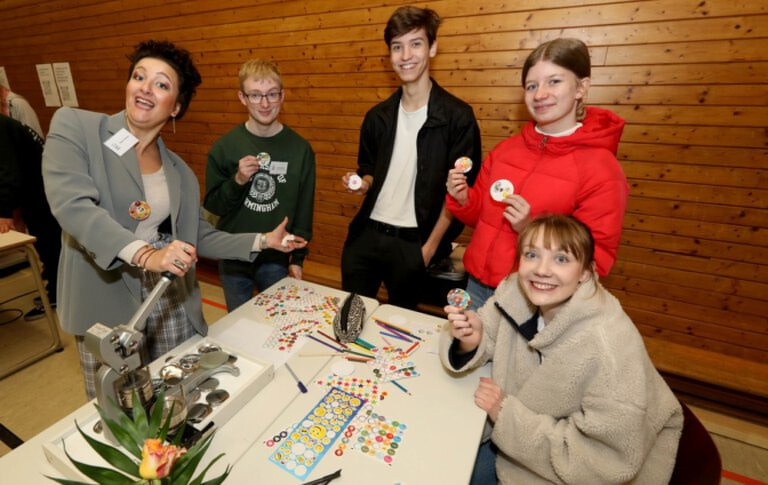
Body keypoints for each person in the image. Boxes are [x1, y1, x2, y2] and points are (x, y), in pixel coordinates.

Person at [42, 40, 306, 397]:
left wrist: (262, 240)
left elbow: (198, 234)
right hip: (108, 301)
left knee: (180, 395)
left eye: (162, 84)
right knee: (125, 410)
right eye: (139, 76)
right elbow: (74, 207)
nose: (146, 88)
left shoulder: (178, 171)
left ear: (176, 106)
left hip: (168, 297)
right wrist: (146, 254)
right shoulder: (77, 127)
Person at [441, 214, 682, 484]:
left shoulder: (609, 347)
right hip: (514, 436)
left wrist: (504, 414)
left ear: (586, 273)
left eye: (562, 259)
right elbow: (487, 327)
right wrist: (472, 340)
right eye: (532, 255)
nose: (541, 270)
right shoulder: (515, 290)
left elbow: (603, 462)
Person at [446, 38, 628, 310]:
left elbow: (595, 257)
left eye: (554, 82)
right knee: (469, 352)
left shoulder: (601, 169)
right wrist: (463, 199)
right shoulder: (506, 151)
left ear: (581, 87)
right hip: (477, 285)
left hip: (534, 300)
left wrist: (531, 231)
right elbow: (482, 219)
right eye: (532, 86)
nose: (540, 94)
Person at [341, 5, 482, 309]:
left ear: (432, 47)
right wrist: (363, 184)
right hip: (365, 237)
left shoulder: (458, 118)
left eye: (415, 44)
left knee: (400, 331)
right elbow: (369, 170)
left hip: (414, 246)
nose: (405, 56)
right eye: (397, 47)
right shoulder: (377, 117)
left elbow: (459, 196)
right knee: (349, 322)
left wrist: (429, 249)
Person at [205, 59, 315, 311]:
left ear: (282, 96)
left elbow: (304, 207)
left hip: (276, 259)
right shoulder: (224, 147)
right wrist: (238, 181)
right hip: (233, 254)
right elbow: (214, 205)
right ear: (242, 98)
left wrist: (297, 259)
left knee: (276, 324)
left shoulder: (301, 149)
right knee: (238, 324)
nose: (264, 104)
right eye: (255, 95)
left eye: (271, 94)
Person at [0, 114, 61, 318]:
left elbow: (8, 171)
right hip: (38, 190)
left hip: (41, 191)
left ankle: (57, 295)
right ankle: (56, 288)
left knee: (49, 244)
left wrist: (4, 212)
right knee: (48, 243)